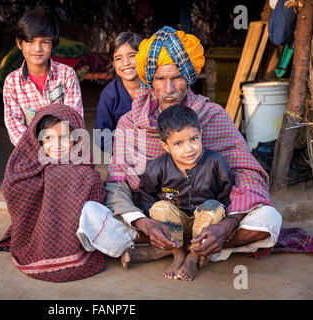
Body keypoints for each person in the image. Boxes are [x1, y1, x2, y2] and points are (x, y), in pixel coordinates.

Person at [83, 26, 282, 272]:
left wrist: (226, 225)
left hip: (210, 216)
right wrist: (144, 223)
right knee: (90, 214)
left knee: (268, 220)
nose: (169, 89)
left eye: (176, 77)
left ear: (188, 77)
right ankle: (190, 247)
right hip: (155, 217)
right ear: (149, 80)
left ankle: (170, 248)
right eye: (160, 78)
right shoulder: (130, 123)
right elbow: (117, 184)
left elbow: (248, 174)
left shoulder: (212, 115)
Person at [0, 104, 106, 282]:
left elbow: (95, 196)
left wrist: (58, 177)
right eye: (48, 138)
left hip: (76, 239)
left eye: (65, 137)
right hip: (34, 240)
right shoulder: (25, 164)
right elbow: (11, 187)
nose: (57, 145)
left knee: (81, 178)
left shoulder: (84, 169)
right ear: (37, 139)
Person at [137, 104, 235, 281]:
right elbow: (146, 196)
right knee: (159, 208)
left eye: (193, 139)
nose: (189, 148)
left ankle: (194, 256)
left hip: (205, 221)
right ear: (165, 146)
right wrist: (151, 221)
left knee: (214, 206)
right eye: (178, 143)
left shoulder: (215, 162)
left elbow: (226, 193)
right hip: (175, 221)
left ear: (201, 135)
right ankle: (178, 254)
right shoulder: (156, 167)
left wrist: (222, 216)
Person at [3, 8, 83, 147]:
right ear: (19, 43)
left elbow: (74, 117)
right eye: (30, 41)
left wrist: (57, 146)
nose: (37, 48)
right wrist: (39, 147)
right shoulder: (12, 82)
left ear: (53, 44)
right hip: (29, 151)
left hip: (64, 149)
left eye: (44, 42)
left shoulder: (67, 74)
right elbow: (14, 125)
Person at [94, 32, 143, 153]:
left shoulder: (156, 88)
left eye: (132, 55)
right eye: (118, 58)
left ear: (144, 57)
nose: (126, 63)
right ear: (113, 64)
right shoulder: (109, 94)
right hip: (123, 158)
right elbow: (101, 137)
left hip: (157, 155)